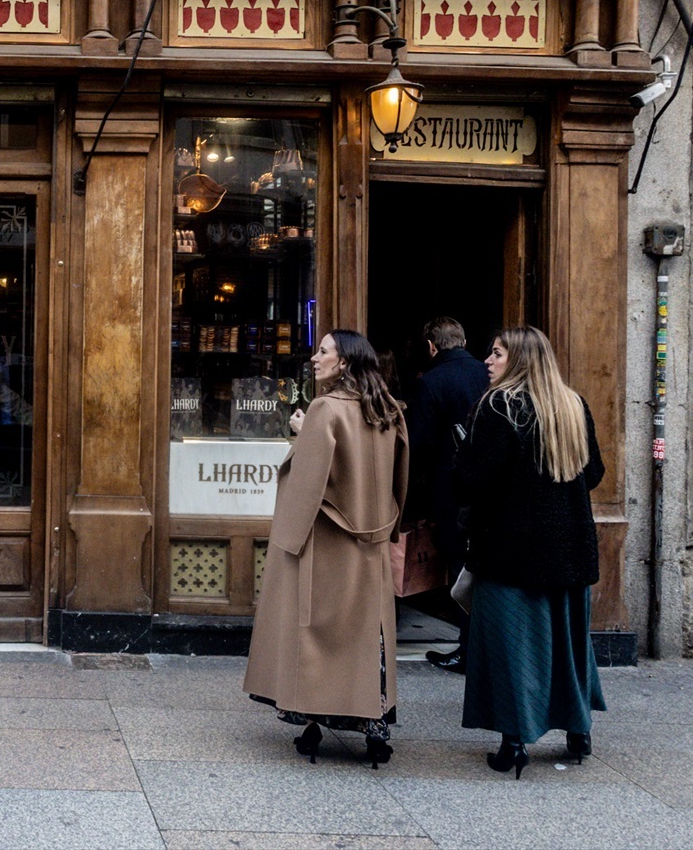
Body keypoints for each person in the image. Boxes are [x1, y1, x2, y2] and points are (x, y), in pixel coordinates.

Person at [244, 330, 411, 768]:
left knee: (318, 636)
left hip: (328, 542)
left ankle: (316, 717)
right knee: (368, 636)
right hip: (372, 541)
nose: (315, 357)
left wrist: (302, 433)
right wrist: (390, 527)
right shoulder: (389, 410)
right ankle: (375, 726)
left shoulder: (324, 409)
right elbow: (402, 478)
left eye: (324, 351)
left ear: (344, 363)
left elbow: (307, 484)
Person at [454, 325, 606, 778]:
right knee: (569, 645)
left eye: (497, 353)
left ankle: (514, 742)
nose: (488, 361)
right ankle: (578, 734)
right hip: (569, 550)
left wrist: (463, 459)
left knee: (511, 646)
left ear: (519, 360)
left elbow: (474, 480)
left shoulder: (500, 406)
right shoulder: (572, 405)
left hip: (511, 551)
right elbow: (593, 472)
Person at [404, 316, 490, 672]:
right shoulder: (489, 373)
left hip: (451, 488)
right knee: (484, 567)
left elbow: (417, 444)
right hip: (490, 488)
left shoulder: (432, 382)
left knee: (459, 567)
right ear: (464, 339)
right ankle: (485, 647)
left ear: (431, 346)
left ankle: (468, 649)